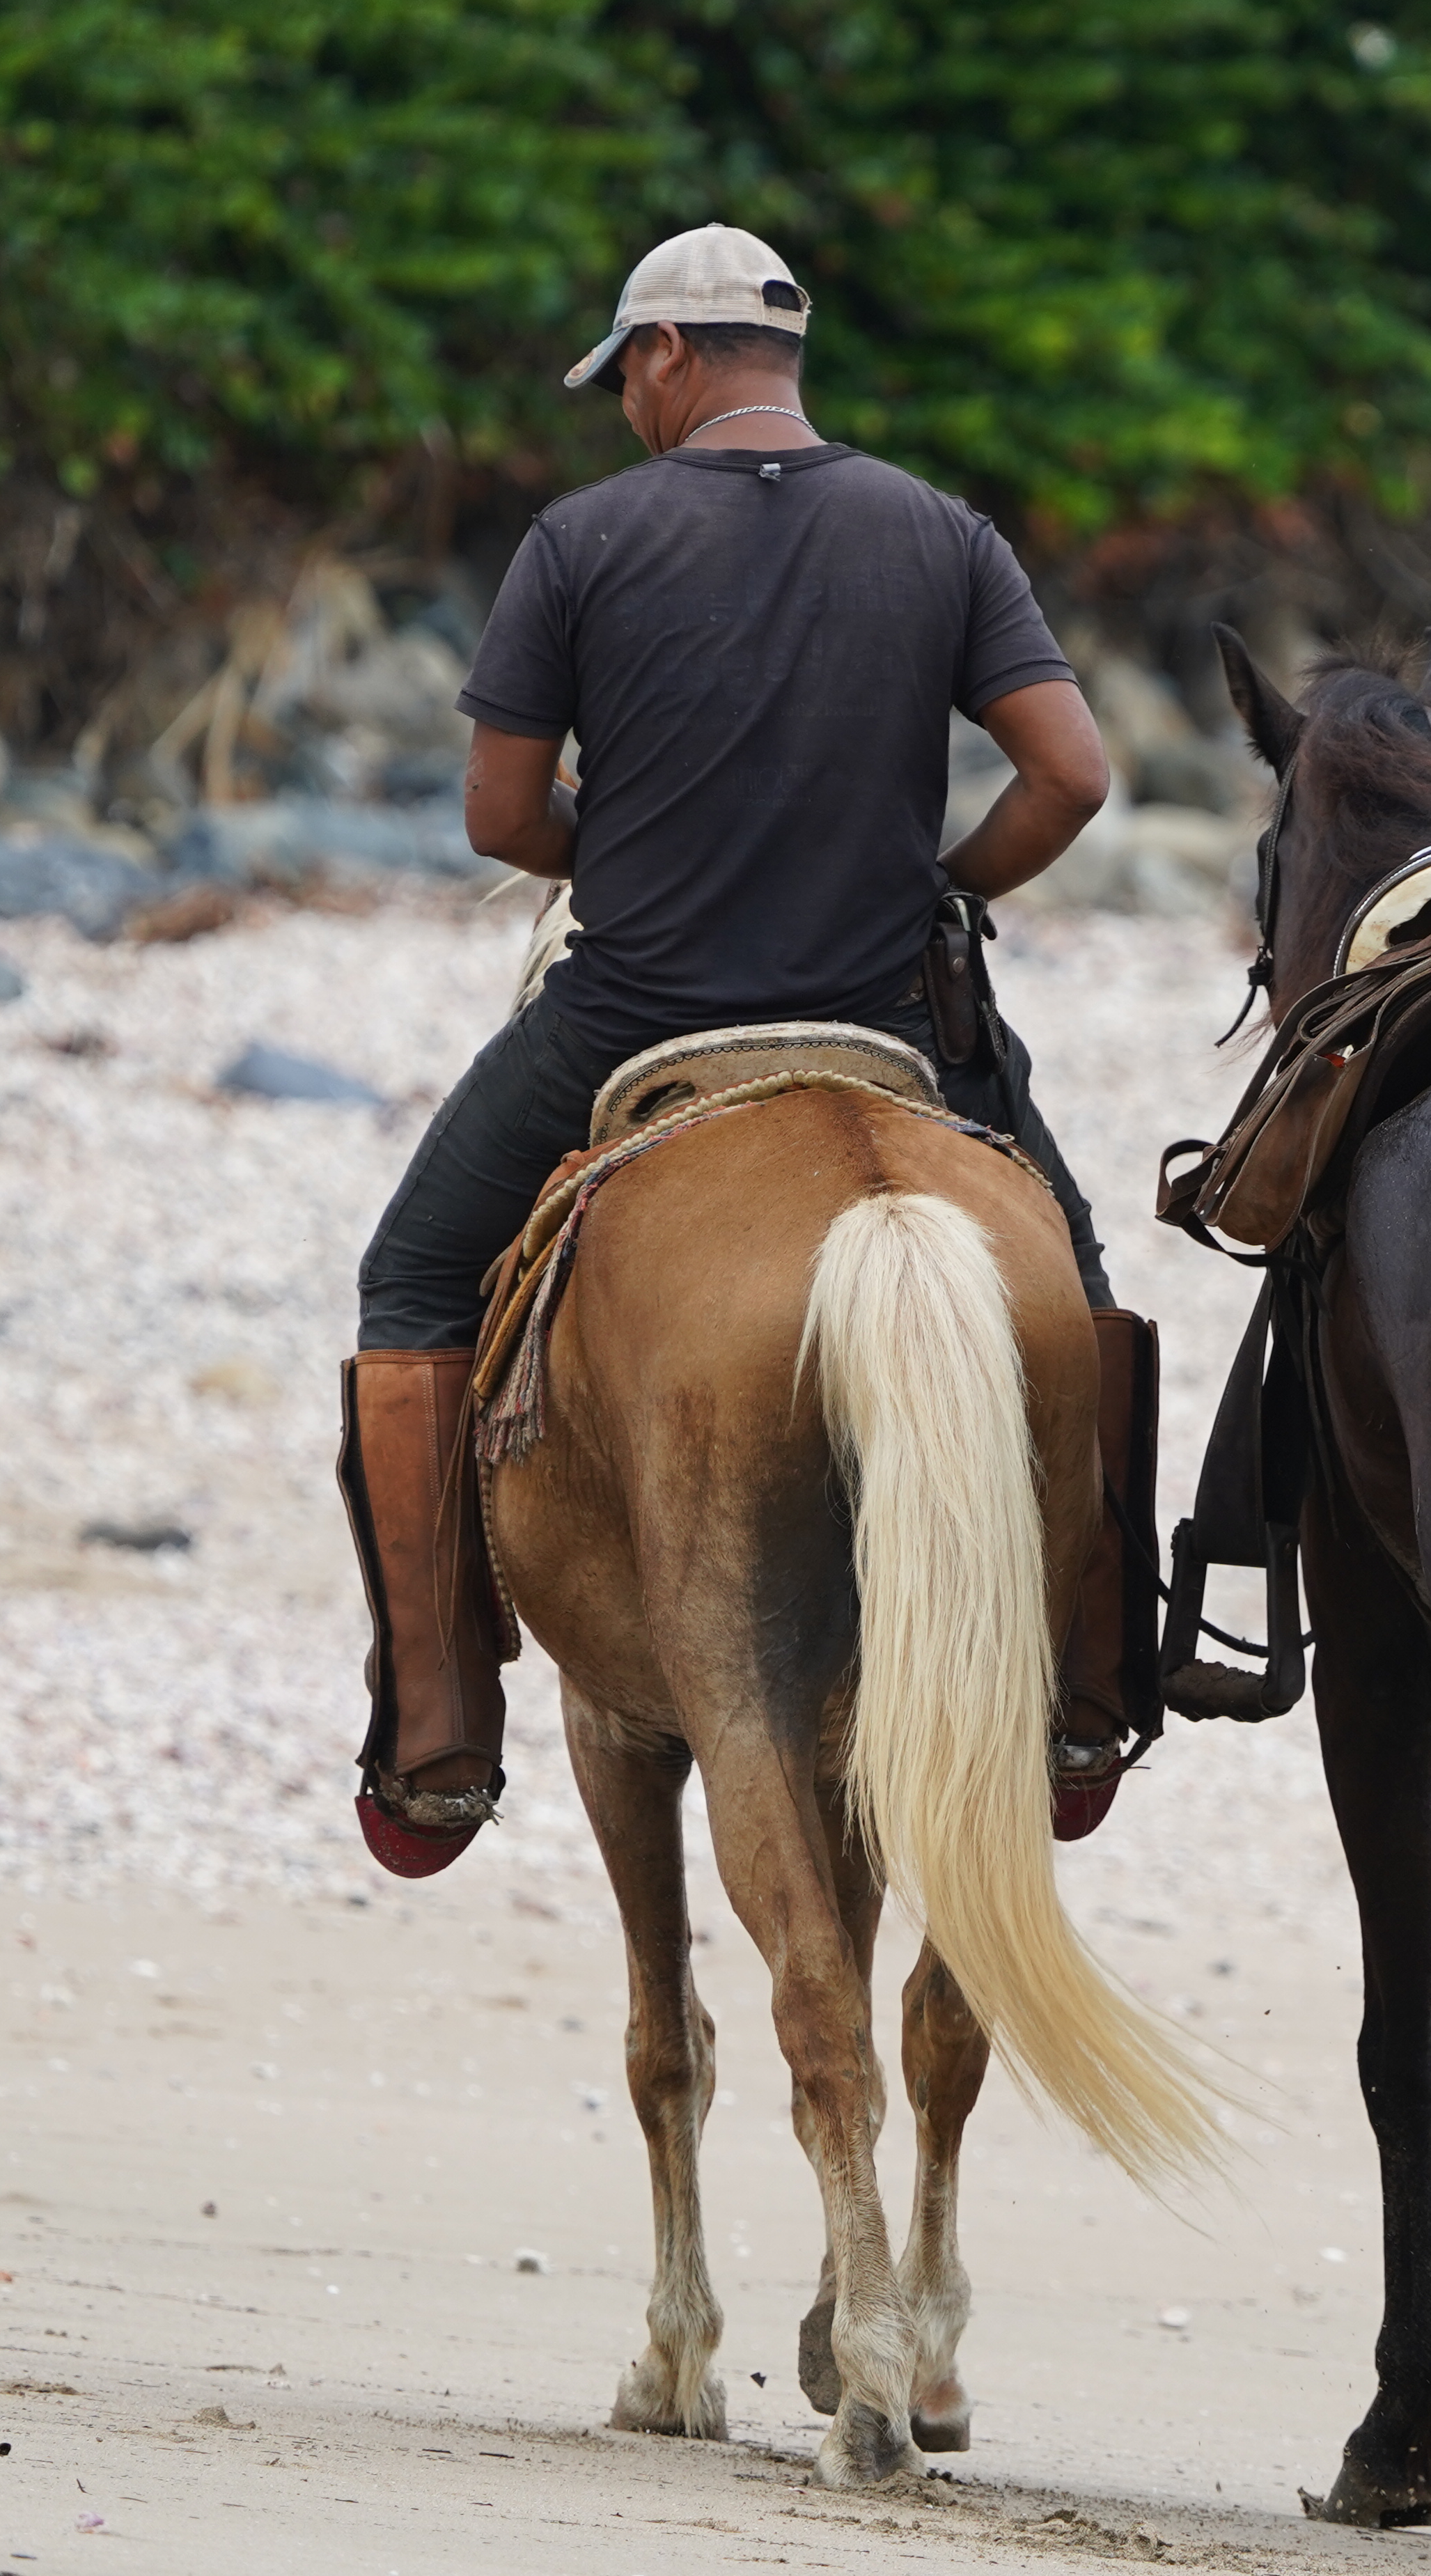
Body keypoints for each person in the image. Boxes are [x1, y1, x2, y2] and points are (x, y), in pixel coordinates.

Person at [339, 221, 1128, 1880]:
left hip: (637, 1011)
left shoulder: (581, 541)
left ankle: (432, 1727)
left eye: (625, 370)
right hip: (891, 1012)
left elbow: (496, 813)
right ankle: (1085, 1682)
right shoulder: (941, 532)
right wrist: (943, 885)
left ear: (671, 356)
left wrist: (629, 850)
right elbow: (1071, 775)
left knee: (412, 1279)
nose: (626, 399)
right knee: (1082, 1279)